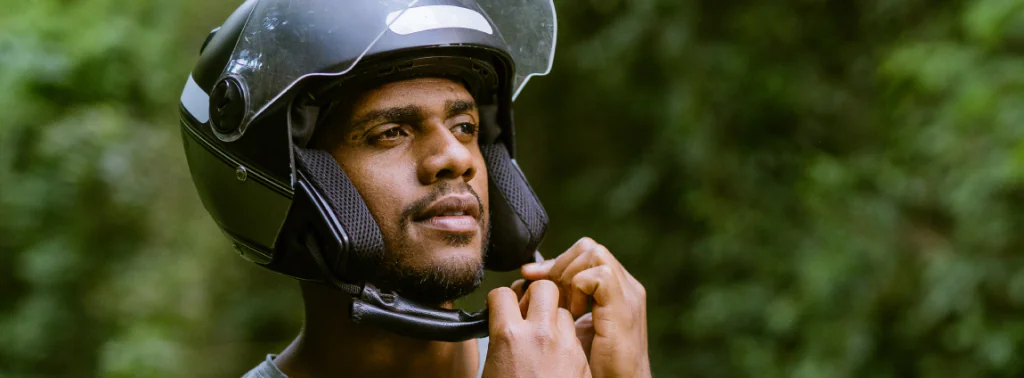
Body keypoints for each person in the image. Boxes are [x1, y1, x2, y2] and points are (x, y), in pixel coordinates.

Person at [177, 1, 649, 377]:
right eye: (391, 132)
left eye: (465, 126)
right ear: (292, 181)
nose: (457, 158)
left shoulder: (568, 366)